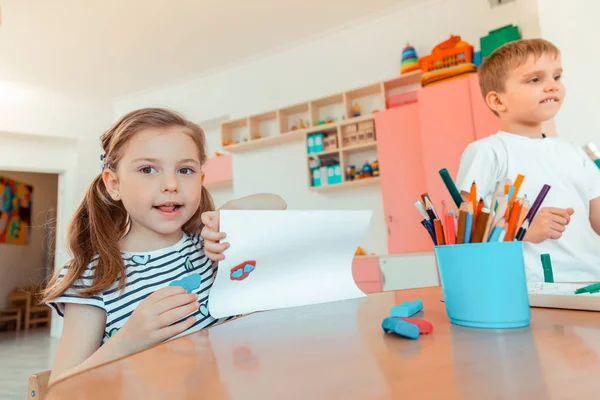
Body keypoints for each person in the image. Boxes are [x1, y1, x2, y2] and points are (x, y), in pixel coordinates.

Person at [42, 108, 287, 384]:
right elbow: (60, 388)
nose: (171, 184)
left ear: (201, 181)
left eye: (185, 170)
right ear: (114, 184)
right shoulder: (94, 277)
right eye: (148, 169)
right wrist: (127, 342)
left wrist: (229, 213)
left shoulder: (207, 242)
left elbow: (277, 203)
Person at [456, 38, 600, 282]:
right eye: (535, 79)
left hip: (592, 282)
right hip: (534, 288)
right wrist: (523, 230)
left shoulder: (575, 152)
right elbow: (464, 230)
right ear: (497, 101)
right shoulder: (489, 151)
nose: (552, 86)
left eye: (557, 76)